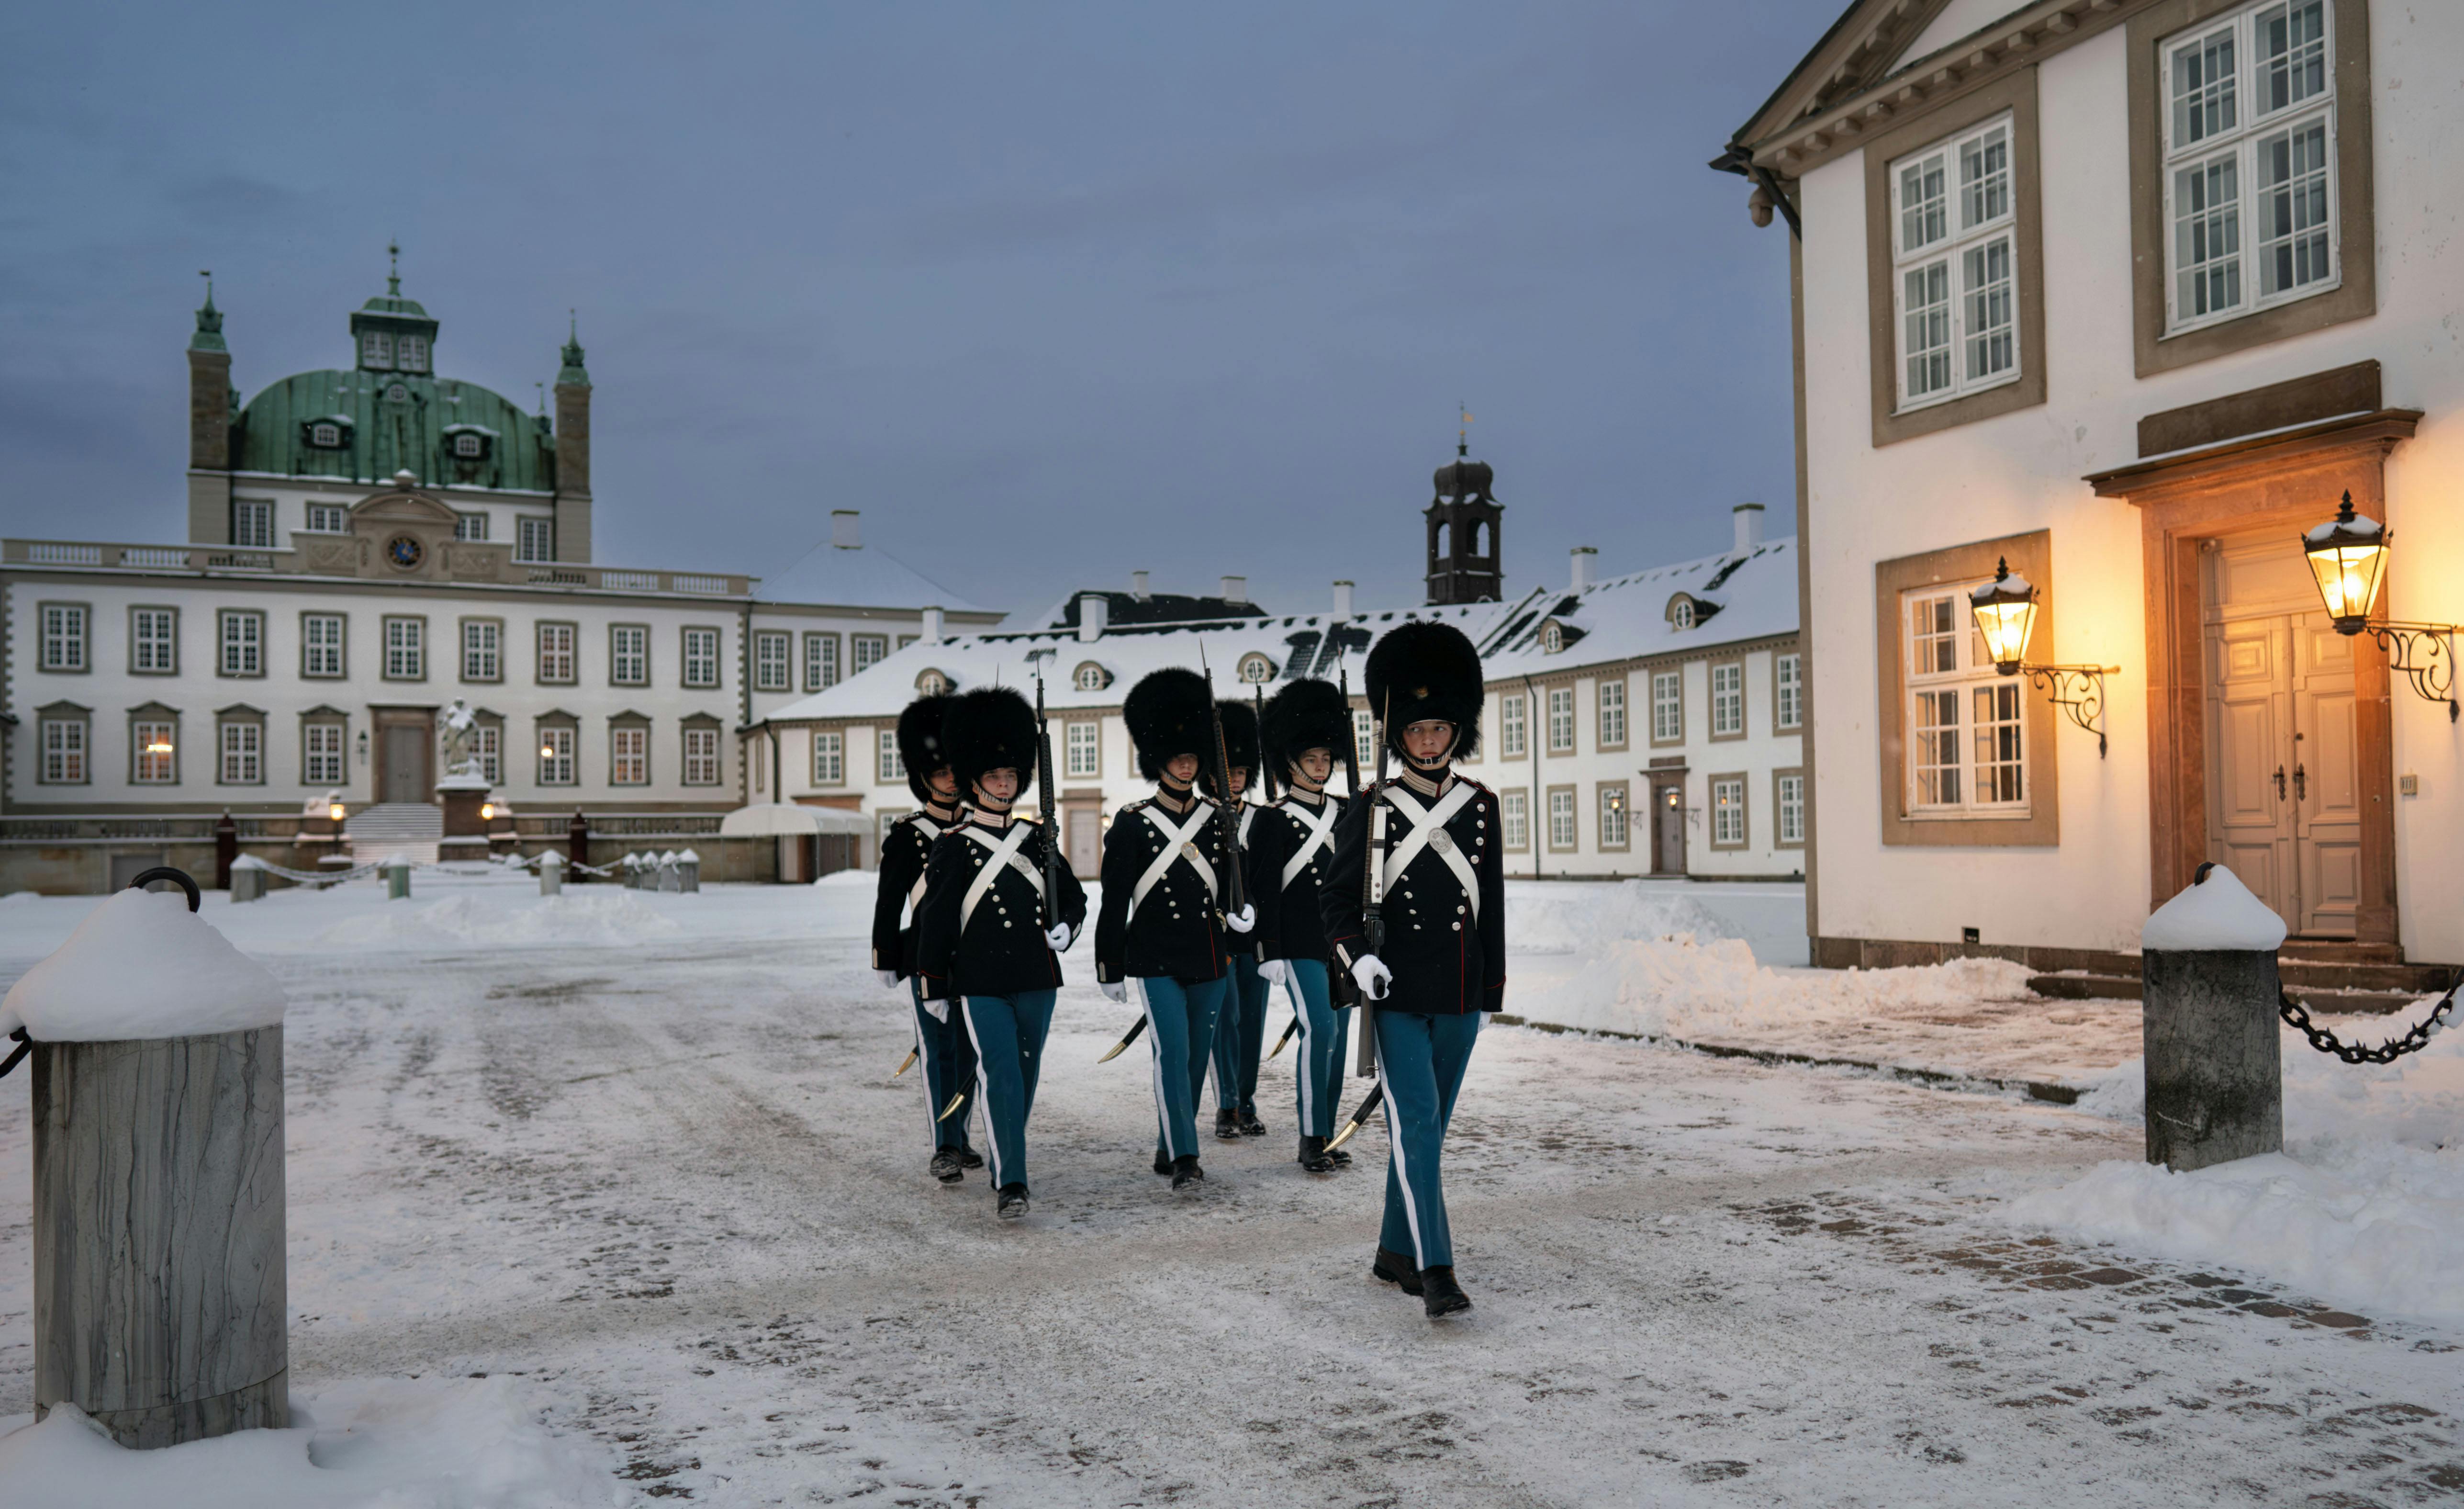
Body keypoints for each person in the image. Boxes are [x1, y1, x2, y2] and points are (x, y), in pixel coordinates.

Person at [1320, 621, 1503, 1319]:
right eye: (1417, 729)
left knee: (1425, 1133)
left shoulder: (1480, 808)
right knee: (1418, 1131)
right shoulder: (1370, 810)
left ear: (1457, 731)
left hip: (1459, 994)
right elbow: (1334, 901)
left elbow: (1493, 911)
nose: (1429, 741)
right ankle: (1436, 1270)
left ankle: (1394, 1250)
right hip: (1395, 997)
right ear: (1397, 736)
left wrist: (1492, 992)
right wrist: (1357, 958)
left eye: (1440, 728)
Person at [912, 687, 1088, 1222]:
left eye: (1012, 777)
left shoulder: (1037, 840)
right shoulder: (955, 843)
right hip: (981, 979)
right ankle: (1013, 1180)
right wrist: (934, 985)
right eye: (995, 777)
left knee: (1025, 1077)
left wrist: (1067, 927)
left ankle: (1005, 1152)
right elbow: (937, 922)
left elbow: (1075, 897)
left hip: (1036, 975)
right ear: (975, 782)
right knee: (1002, 1073)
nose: (1005, 784)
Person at [1093, 667, 1256, 1191]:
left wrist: (1244, 920)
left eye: (1193, 757)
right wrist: (1108, 963)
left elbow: (1237, 884)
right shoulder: (1133, 821)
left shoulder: (1217, 817)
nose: (1187, 765)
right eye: (1178, 756)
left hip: (1209, 954)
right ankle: (1187, 1155)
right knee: (1172, 1050)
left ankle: (1170, 1141)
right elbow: (1114, 897)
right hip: (1154, 954)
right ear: (1159, 760)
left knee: (1194, 1054)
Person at [870, 693, 981, 1184]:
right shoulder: (909, 834)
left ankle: (962, 1132)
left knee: (973, 1050)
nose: (951, 781)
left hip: (977, 954)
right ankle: (945, 1145)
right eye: (940, 774)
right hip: (924, 957)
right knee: (939, 1049)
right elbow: (888, 899)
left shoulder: (980, 828)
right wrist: (885, 955)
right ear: (924, 779)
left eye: (955, 771)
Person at [1250, 677, 1356, 1173]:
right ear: (1290, 762)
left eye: (1325, 757)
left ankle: (1329, 1133)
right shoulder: (1273, 818)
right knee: (1321, 1028)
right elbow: (1264, 887)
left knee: (1337, 1037)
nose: (1321, 765)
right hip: (1296, 941)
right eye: (1311, 758)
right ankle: (1311, 1136)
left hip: (1343, 943)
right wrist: (1267, 948)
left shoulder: (1348, 812)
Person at [1202, 697, 1269, 1141]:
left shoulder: (1264, 820)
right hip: (1218, 937)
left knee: (1252, 1024)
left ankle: (1246, 1100)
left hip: (1258, 937)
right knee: (1224, 1024)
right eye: (1230, 772)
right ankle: (1226, 1104)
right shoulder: (1203, 820)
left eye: (1243, 772)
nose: (1237, 779)